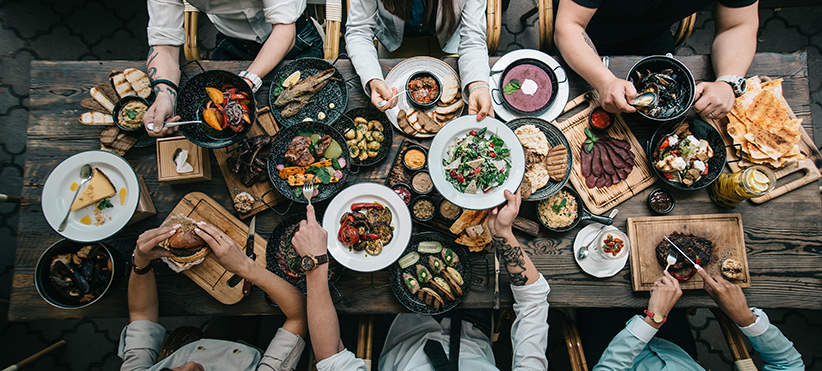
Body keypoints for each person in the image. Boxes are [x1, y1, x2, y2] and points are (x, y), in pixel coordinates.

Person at [291, 189, 549, 370]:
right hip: (473, 328)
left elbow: (330, 358)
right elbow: (533, 304)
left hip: (400, 327)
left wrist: (314, 263)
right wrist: (503, 233)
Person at [118, 222, 308, 371]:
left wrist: (140, 261)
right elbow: (298, 315)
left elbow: (141, 313)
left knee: (233, 315)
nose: (191, 364)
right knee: (272, 321)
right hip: (266, 358)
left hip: (215, 342)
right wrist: (244, 266)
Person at [143, 0, 324, 137]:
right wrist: (164, 95)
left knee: (309, 123)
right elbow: (164, 46)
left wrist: (244, 85)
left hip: (295, 38)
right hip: (233, 43)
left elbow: (285, 31)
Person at [554, 0, 759, 120]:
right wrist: (604, 81)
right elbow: (569, 27)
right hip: (583, 41)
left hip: (652, 41)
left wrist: (729, 80)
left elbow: (739, 25)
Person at [591, 268, 804, 370]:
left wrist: (654, 320)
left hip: (612, 356)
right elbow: (789, 364)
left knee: (593, 293)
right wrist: (745, 317)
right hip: (674, 351)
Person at [345, 0, 495, 120]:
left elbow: (472, 39)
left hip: (447, 42)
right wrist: (373, 78)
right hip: (396, 43)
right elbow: (358, 32)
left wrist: (477, 84)